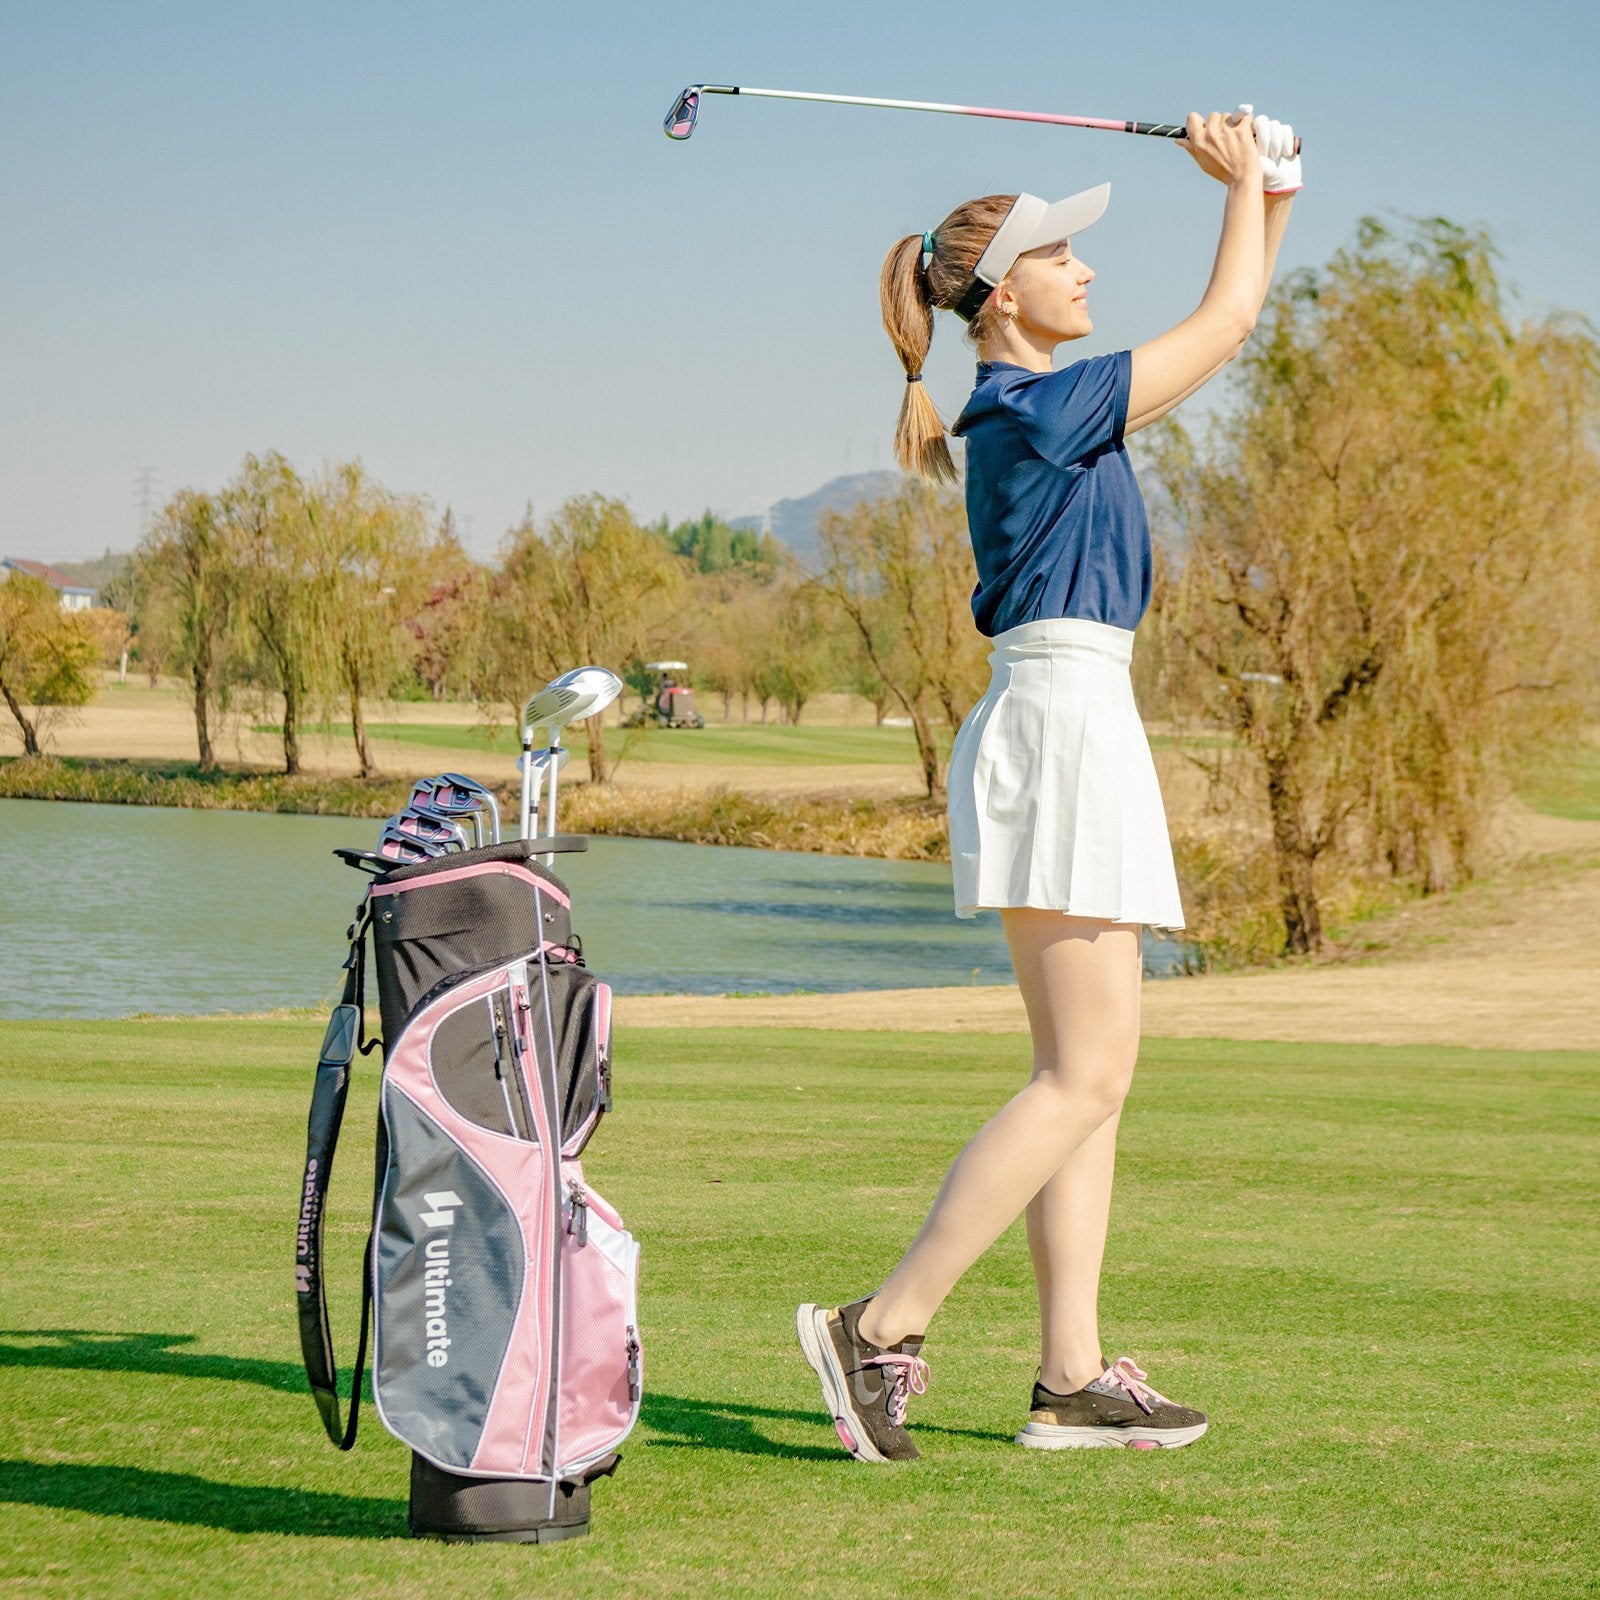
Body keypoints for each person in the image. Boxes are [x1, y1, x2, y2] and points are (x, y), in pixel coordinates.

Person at [796, 108, 1300, 1460]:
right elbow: (1233, 317)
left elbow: (1246, 291)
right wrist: (1247, 186)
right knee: (1084, 1074)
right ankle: (883, 1324)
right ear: (1003, 291)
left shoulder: (1028, 401)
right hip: (1063, 726)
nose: (1084, 272)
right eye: (1063, 256)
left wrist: (1277, 183)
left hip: (1078, 716)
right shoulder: (1040, 398)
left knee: (1089, 1075)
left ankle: (1070, 1375)